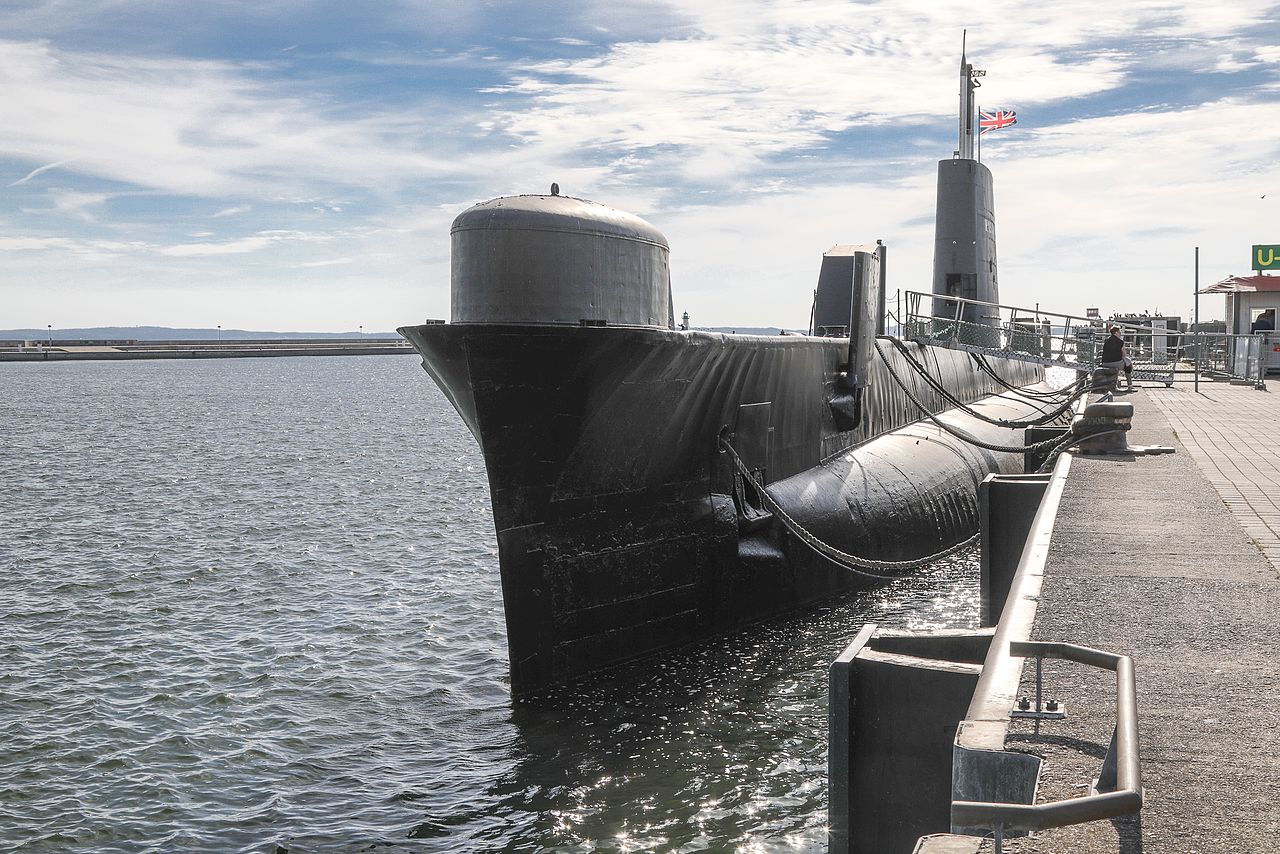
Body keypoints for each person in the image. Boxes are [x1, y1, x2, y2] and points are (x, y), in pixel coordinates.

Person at [1100, 325, 1134, 391]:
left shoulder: (1106, 341)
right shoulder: (1120, 342)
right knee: (1128, 366)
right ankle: (1130, 386)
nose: (1120, 333)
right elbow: (1124, 355)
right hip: (1116, 363)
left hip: (1105, 363)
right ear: (1115, 333)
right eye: (1119, 332)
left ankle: (1114, 385)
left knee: (1121, 363)